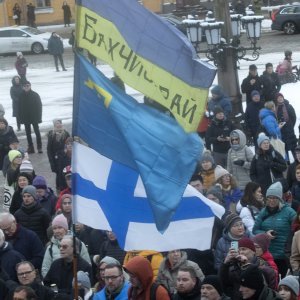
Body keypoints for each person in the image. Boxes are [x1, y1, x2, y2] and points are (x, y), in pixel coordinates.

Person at [253, 181, 296, 277]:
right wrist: (265, 234)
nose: (271, 200)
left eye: (274, 198)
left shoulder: (289, 212)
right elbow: (255, 230)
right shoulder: (263, 212)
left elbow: (297, 231)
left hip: (284, 256)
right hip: (267, 256)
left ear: (280, 199)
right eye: (269, 198)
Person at [18, 81, 42, 154]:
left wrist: (39, 117)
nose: (26, 87)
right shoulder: (21, 95)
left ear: (30, 86)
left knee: (37, 132)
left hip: (34, 117)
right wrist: (20, 118)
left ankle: (39, 147)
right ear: (23, 87)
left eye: (28, 86)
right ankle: (31, 147)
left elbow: (39, 106)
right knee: (28, 133)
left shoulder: (35, 94)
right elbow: (19, 108)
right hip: (25, 118)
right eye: (25, 86)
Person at [47, 119, 70, 191]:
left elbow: (69, 144)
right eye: (57, 124)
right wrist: (51, 162)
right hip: (56, 159)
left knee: (65, 172)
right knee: (58, 174)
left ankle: (66, 187)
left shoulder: (66, 134)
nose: (59, 125)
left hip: (64, 158)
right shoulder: (51, 135)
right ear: (54, 125)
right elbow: (49, 150)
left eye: (60, 123)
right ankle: (59, 189)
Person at [275, 92, 297, 160]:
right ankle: (289, 163)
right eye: (279, 98)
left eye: (281, 97)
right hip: (282, 131)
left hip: (289, 130)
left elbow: (294, 117)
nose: (280, 99)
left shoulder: (288, 106)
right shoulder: (276, 108)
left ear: (283, 98)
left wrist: (290, 125)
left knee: (293, 147)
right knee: (285, 147)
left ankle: (297, 161)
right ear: (277, 99)